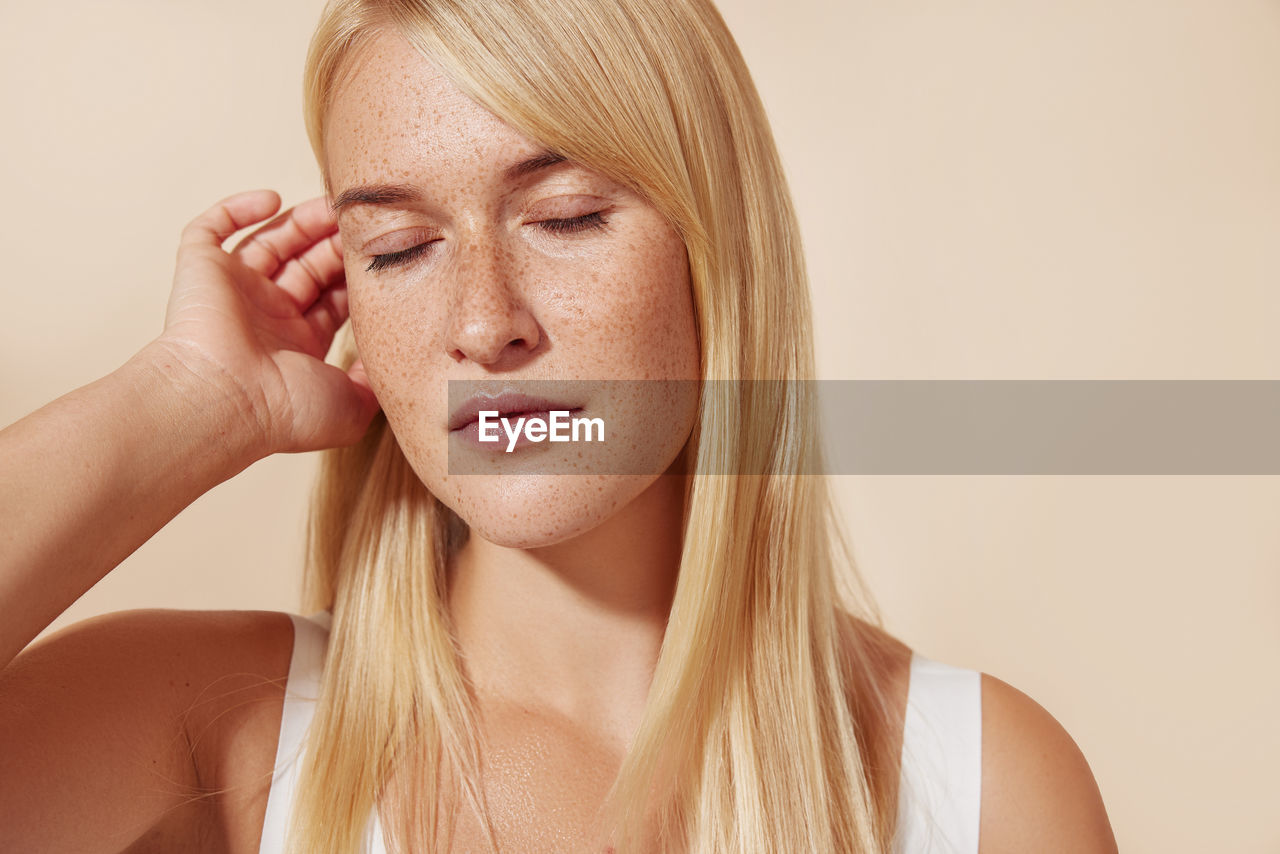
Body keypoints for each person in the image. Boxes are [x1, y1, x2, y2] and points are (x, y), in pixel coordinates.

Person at [0, 0, 1119, 852]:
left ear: (713, 250)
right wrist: (182, 401)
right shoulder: (204, 732)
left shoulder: (982, 787)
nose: (485, 325)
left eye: (564, 217)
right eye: (396, 248)